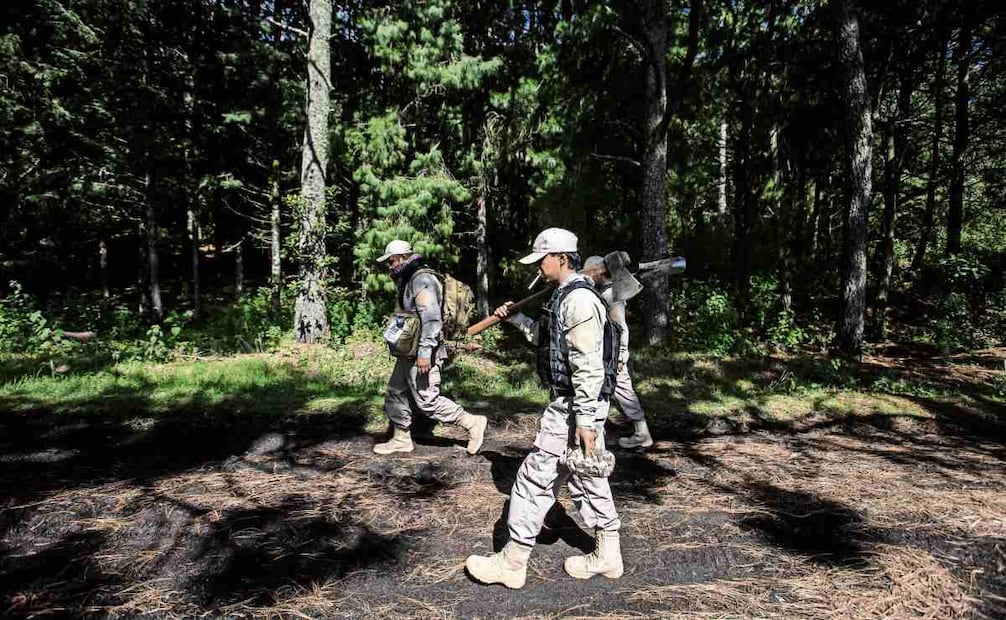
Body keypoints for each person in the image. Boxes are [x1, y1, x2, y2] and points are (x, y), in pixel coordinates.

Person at [466, 228, 623, 589]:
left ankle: (512, 562)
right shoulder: (564, 296)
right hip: (580, 405)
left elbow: (588, 362)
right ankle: (608, 555)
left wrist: (584, 419)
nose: (538, 266)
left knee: (533, 480)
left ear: (562, 258)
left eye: (542, 259)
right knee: (587, 477)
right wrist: (515, 319)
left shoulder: (579, 300)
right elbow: (546, 337)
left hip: (574, 407)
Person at [373, 240, 488, 456]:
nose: (389, 266)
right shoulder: (407, 278)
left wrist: (425, 353)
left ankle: (472, 423)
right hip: (408, 351)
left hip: (423, 351)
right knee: (396, 391)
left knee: (427, 400)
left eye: (391, 261)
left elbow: (432, 320)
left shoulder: (422, 279)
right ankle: (401, 439)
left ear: (403, 257)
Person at [583, 255, 653, 449]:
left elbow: (620, 327)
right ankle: (637, 432)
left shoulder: (610, 294)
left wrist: (620, 357)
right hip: (606, 353)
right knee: (615, 390)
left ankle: (640, 434)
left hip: (613, 356)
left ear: (598, 273)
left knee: (621, 390)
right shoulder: (605, 293)